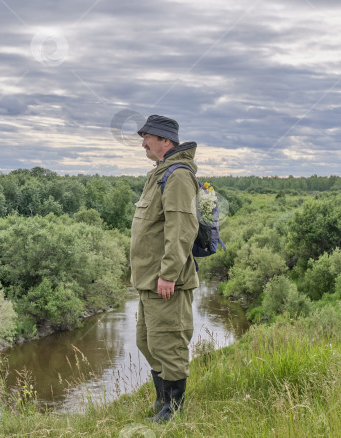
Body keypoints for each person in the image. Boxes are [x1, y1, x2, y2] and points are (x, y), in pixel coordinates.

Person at [130, 115, 199, 423]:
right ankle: (162, 402)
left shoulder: (178, 176)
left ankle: (173, 412)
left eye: (148, 137)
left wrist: (169, 274)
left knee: (169, 344)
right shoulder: (160, 173)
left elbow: (181, 228)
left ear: (165, 141)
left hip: (166, 281)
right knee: (148, 342)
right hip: (149, 280)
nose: (143, 142)